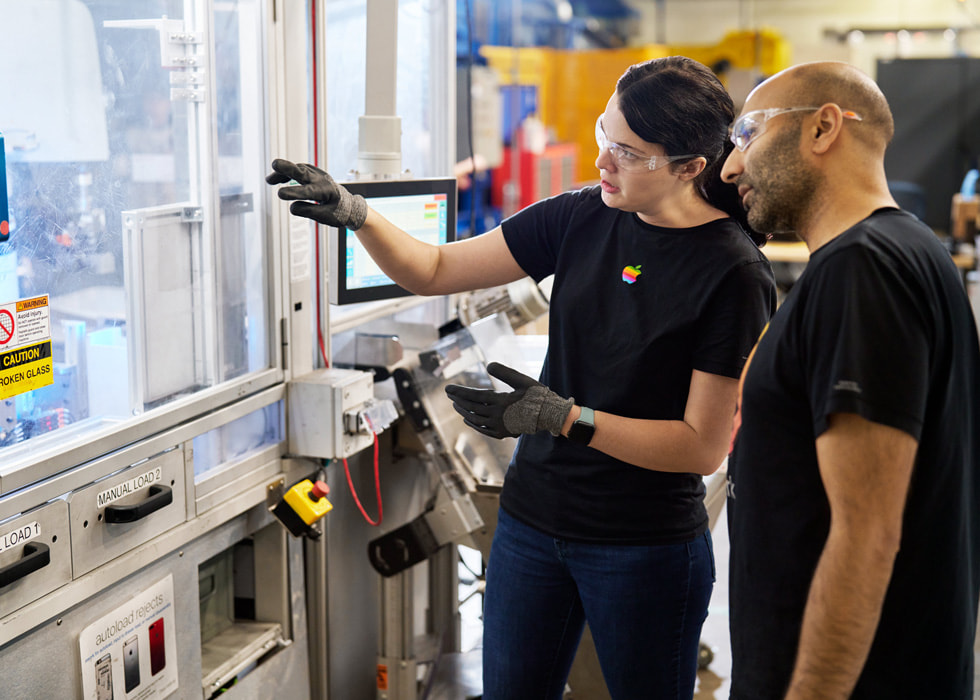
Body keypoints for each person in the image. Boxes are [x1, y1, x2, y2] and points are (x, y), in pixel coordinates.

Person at [269, 55, 775, 699]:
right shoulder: (580, 215)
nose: (602, 163)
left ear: (690, 168)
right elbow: (433, 269)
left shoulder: (733, 272)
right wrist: (358, 213)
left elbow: (701, 445)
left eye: (627, 151)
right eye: (603, 136)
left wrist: (565, 418)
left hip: (641, 547)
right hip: (532, 525)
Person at [721, 61, 980, 699]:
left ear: (823, 128)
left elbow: (866, 533)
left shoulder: (861, 274)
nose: (730, 168)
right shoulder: (915, 251)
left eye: (748, 134)